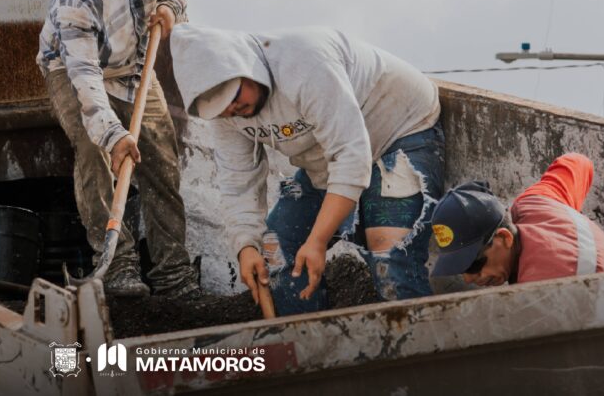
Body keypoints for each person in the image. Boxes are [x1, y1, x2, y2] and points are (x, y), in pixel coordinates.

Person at [170, 24, 445, 314]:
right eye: (224, 110)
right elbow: (238, 180)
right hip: (327, 160)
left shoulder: (305, 64)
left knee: (389, 253)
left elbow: (351, 155)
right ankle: (314, 350)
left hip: (398, 132)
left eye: (235, 97)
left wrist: (317, 241)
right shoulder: (227, 114)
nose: (234, 110)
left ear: (246, 67)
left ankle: (417, 350)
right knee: (274, 252)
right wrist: (245, 245)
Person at [37, 0, 200, 298]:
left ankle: (172, 270)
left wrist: (171, 5)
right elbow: (87, 83)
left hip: (133, 68)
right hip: (73, 70)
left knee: (161, 154)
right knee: (94, 151)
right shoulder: (73, 0)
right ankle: (118, 263)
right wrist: (115, 138)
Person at [430, 153, 604, 286]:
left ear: (505, 237)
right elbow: (579, 162)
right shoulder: (538, 201)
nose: (468, 278)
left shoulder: (536, 292)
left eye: (473, 265)